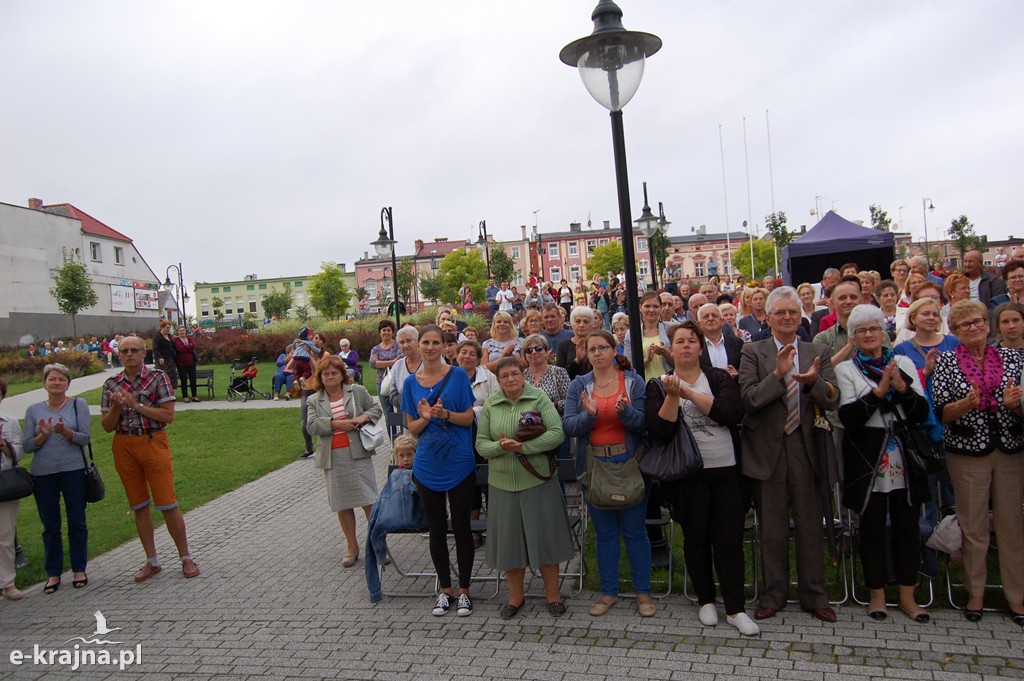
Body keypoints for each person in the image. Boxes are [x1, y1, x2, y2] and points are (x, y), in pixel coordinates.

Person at [646, 321, 757, 634]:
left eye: (691, 341)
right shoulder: (657, 384)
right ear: (671, 347)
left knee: (729, 540)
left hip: (725, 470)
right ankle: (705, 600)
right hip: (687, 474)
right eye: (679, 341)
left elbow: (729, 413)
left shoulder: (718, 377)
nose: (685, 346)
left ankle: (735, 608)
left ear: (700, 347)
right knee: (696, 539)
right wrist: (672, 395)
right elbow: (660, 430)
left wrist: (688, 393)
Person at [738, 286, 839, 622]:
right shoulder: (753, 351)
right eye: (779, 312)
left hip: (806, 447)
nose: (786, 318)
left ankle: (815, 595)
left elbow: (833, 398)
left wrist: (813, 383)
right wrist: (779, 375)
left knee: (811, 526)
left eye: (792, 312)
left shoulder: (817, 349)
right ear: (767, 317)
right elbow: (749, 400)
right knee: (772, 527)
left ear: (801, 317)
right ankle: (773, 594)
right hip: (768, 448)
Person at [835, 305, 932, 623]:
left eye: (873, 329)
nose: (867, 335)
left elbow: (920, 412)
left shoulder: (901, 362)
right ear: (853, 337)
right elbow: (848, 417)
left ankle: (908, 596)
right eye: (860, 331)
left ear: (884, 332)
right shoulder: (846, 370)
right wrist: (879, 392)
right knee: (872, 528)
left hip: (903, 455)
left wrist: (902, 388)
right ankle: (876, 596)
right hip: (867, 458)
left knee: (907, 528)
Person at [931, 299, 1024, 624]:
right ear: (954, 331)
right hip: (967, 450)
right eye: (965, 324)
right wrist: (965, 404)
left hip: (1010, 449)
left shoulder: (1014, 359)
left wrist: (1016, 405)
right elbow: (941, 412)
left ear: (989, 324)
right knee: (973, 526)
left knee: (1012, 525)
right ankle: (975, 593)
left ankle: (1016, 597)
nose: (973, 328)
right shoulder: (947, 362)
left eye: (978, 322)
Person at [564, 330, 655, 618]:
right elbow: (568, 426)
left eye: (603, 348)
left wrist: (626, 412)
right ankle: (608, 592)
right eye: (592, 349)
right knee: (604, 534)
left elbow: (644, 424)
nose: (598, 353)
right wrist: (589, 415)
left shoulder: (633, 381)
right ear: (586, 354)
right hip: (594, 468)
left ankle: (643, 593)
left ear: (614, 350)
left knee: (635, 532)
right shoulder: (579, 385)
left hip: (629, 463)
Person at [477, 357, 573, 618]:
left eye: (515, 373)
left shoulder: (538, 398)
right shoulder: (491, 405)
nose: (511, 379)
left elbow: (557, 432)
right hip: (502, 484)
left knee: (545, 540)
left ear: (523, 375)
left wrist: (525, 448)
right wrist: (499, 447)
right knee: (510, 543)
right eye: (505, 375)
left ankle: (553, 595)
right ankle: (515, 597)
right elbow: (480, 444)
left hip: (537, 481)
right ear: (498, 380)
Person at [100, 335, 199, 582]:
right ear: (119, 355)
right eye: (125, 351)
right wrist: (115, 408)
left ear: (144, 353)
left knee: (167, 503)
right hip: (124, 444)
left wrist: (136, 405)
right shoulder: (111, 383)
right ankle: (151, 560)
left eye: (135, 350)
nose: (130, 354)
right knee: (139, 505)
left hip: (152, 441)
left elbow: (168, 416)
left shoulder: (158, 378)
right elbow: (107, 426)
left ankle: (186, 557)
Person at [401, 325, 478, 617]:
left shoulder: (457, 375)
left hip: (458, 462)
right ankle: (445, 590)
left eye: (436, 342)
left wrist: (446, 414)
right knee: (436, 528)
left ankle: (465, 591)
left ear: (444, 346)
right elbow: (413, 428)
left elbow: (469, 419)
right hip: (427, 464)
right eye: (426, 343)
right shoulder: (410, 383)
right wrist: (424, 418)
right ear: (418, 346)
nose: (431, 347)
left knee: (461, 527)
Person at [21, 364, 91, 594]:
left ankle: (79, 568)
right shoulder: (33, 410)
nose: (57, 383)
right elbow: (27, 446)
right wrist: (42, 435)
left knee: (76, 520)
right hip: (43, 473)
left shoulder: (77, 404)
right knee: (50, 525)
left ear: (68, 383)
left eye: (62, 379)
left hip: (73, 470)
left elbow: (84, 438)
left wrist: (65, 433)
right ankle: (53, 572)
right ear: (45, 383)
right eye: (52, 379)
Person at [306, 355, 381, 568]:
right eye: (326, 374)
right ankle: (352, 546)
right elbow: (311, 426)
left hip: (358, 454)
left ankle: (378, 543)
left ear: (342, 375)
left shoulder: (357, 391)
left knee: (368, 500)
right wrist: (337, 424)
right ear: (320, 377)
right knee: (342, 503)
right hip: (333, 457)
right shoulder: (314, 399)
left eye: (334, 373)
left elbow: (376, 410)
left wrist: (362, 418)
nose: (330, 377)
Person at [0, 379, 25, 600]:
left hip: (4, 482)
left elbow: (18, 454)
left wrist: (2, 443)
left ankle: (7, 583)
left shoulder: (10, 423)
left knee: (5, 536)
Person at [622, 291, 672, 378]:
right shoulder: (631, 334)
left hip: (667, 382)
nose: (651, 310)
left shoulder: (670, 329)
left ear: (660, 308)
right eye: (647, 306)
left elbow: (681, 362)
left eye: (655, 306)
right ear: (640, 308)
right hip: (643, 383)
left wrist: (665, 352)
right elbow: (628, 367)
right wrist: (647, 359)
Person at [521, 335, 570, 415]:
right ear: (525, 355)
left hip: (554, 420)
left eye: (538, 348)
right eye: (529, 350)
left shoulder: (559, 372)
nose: (534, 352)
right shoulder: (521, 376)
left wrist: (555, 405)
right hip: (526, 424)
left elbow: (570, 401)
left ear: (547, 352)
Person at [369, 319, 401, 431]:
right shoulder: (375, 349)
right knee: (388, 413)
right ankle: (393, 441)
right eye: (384, 330)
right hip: (382, 383)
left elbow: (400, 360)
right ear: (380, 332)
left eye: (388, 330)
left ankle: (402, 439)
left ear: (392, 332)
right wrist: (392, 361)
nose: (386, 332)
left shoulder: (398, 346)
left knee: (400, 411)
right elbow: (373, 364)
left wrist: (381, 362)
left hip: (398, 382)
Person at [697, 303, 743, 377]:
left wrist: (736, 372)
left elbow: (745, 370)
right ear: (699, 324)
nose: (711, 319)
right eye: (706, 317)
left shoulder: (737, 343)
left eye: (714, 316)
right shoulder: (695, 346)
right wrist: (721, 374)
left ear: (722, 321)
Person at [388, 326, 423, 413]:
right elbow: (392, 395)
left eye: (409, 340)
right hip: (407, 418)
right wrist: (409, 402)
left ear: (417, 341)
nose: (405, 345)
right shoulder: (398, 365)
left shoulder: (431, 361)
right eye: (402, 342)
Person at [557, 306, 595, 380]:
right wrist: (576, 360)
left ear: (591, 325)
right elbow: (560, 375)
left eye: (586, 322)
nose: (581, 325)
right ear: (572, 324)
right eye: (578, 321)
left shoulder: (596, 345)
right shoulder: (563, 346)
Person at [172, 327, 199, 403]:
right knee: (183, 380)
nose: (182, 332)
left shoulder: (189, 339)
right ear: (178, 332)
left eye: (183, 330)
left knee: (193, 379)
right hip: (181, 363)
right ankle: (185, 396)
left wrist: (186, 348)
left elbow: (193, 346)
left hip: (191, 362)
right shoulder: (176, 340)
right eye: (180, 331)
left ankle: (194, 396)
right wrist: (188, 348)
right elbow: (179, 348)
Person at [154, 320, 178, 391]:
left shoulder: (170, 336)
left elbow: (173, 346)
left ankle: (171, 392)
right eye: (167, 328)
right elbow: (155, 348)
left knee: (172, 377)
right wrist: (159, 357)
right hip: (162, 360)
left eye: (169, 328)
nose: (168, 329)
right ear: (162, 327)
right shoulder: (158, 336)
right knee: (163, 377)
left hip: (171, 359)